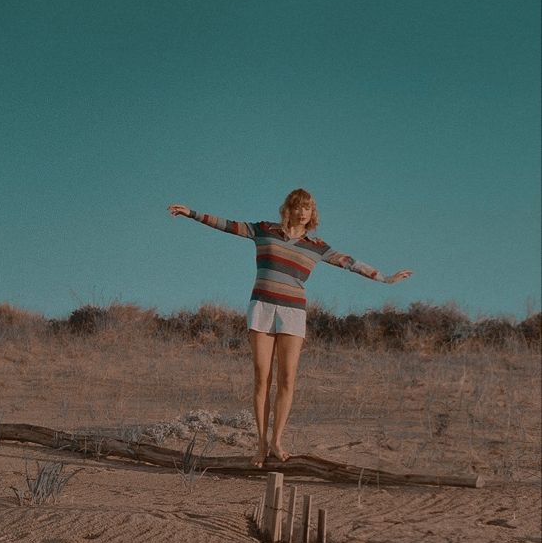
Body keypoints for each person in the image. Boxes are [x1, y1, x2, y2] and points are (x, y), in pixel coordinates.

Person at [168, 188, 412, 467]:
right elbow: (227, 225)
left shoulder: (317, 245)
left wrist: (385, 279)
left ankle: (277, 441)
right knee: (262, 378)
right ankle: (260, 444)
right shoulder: (264, 230)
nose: (303, 211)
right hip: (261, 308)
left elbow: (350, 263)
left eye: (308, 207)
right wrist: (192, 214)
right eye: (298, 206)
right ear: (289, 208)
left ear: (312, 213)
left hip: (292, 314)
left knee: (287, 380)